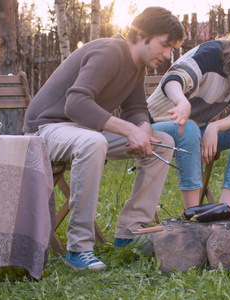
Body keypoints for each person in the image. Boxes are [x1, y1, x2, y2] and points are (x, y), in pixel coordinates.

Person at [23, 7, 184, 271]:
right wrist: (129, 130)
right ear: (141, 35)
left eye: (171, 49)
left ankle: (130, 230)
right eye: (164, 45)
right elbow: (75, 103)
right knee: (92, 142)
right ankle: (79, 248)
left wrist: (143, 128)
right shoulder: (111, 51)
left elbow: (135, 110)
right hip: (47, 128)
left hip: (84, 129)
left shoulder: (137, 67)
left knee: (162, 141)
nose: (167, 55)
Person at [148, 16, 230, 210]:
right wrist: (181, 102)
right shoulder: (211, 53)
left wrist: (215, 126)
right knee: (190, 129)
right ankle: (194, 213)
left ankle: (223, 210)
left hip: (195, 130)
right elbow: (174, 79)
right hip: (155, 126)